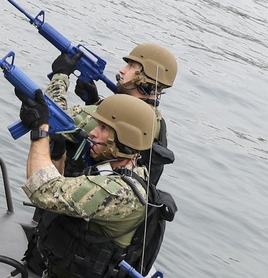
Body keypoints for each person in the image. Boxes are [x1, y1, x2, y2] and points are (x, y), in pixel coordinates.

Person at [19, 92, 167, 278]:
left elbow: (43, 191)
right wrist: (57, 152)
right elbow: (58, 199)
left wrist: (41, 132)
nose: (94, 133)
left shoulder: (120, 192)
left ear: (125, 137)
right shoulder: (108, 172)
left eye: (104, 129)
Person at [47, 40, 178, 184]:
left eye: (131, 66)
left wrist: (60, 76)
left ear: (144, 77)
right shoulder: (157, 122)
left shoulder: (118, 116)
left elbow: (49, 116)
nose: (122, 70)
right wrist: (94, 102)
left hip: (69, 196)